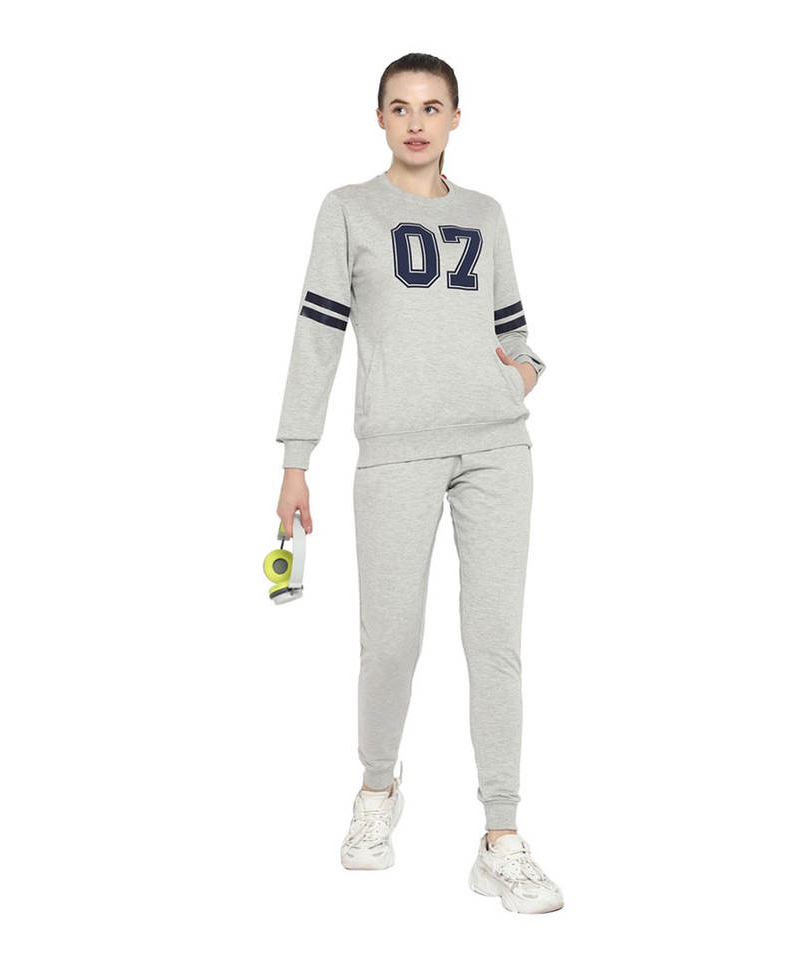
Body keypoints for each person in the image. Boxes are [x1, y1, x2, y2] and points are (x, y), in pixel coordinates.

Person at [275, 53, 564, 914]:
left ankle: (501, 837)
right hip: (395, 452)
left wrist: (517, 379)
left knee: (495, 643)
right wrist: (296, 458)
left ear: (456, 118)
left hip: (496, 450)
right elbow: (318, 336)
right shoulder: (348, 209)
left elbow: (516, 330)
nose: (415, 122)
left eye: (432, 107)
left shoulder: (486, 214)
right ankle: (377, 790)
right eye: (399, 107)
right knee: (391, 642)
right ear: (379, 117)